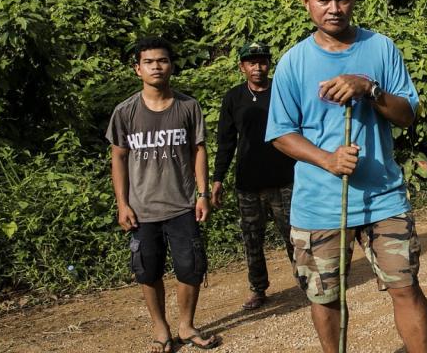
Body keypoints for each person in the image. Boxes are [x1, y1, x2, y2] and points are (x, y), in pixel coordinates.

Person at [266, 0, 427, 353]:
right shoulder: (293, 62)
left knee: (406, 288)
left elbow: (407, 116)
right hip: (319, 205)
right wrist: (327, 160)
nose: (334, 8)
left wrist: (369, 88)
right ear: (306, 2)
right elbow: (280, 134)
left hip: (383, 198)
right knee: (325, 298)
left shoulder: (380, 47)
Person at [107, 36, 221, 352]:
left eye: (162, 60)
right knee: (147, 269)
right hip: (141, 209)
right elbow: (118, 157)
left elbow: (199, 150)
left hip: (183, 204)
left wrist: (202, 194)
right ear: (137, 69)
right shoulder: (125, 112)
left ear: (171, 65)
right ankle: (161, 329)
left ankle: (186, 325)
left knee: (191, 267)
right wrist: (122, 204)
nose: (156, 66)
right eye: (149, 62)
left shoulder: (188, 106)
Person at [211, 41, 297, 311]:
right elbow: (225, 142)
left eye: (262, 62)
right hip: (248, 183)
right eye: (251, 63)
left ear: (269, 64)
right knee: (252, 239)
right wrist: (217, 180)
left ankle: (307, 281)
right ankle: (258, 288)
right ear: (242, 67)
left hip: (285, 178)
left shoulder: (282, 91)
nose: (257, 68)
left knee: (294, 234)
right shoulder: (233, 98)